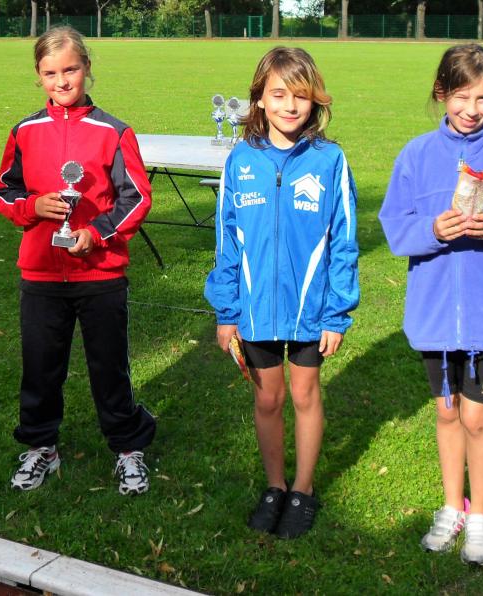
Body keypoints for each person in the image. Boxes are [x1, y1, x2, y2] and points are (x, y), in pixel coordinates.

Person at [378, 44, 483, 565]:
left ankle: (482, 514)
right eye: (461, 97)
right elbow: (395, 226)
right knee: (447, 411)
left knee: (476, 416)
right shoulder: (415, 155)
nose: (473, 109)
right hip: (433, 313)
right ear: (441, 94)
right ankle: (453, 506)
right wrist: (433, 229)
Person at [0, 26, 156, 496]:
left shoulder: (114, 132)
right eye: (50, 73)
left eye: (70, 69)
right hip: (42, 274)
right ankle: (41, 446)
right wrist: (32, 207)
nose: (61, 81)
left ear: (87, 68)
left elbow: (136, 198)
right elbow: (4, 191)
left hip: (100, 274)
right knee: (40, 366)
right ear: (38, 76)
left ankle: (128, 448)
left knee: (109, 367)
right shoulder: (24, 131)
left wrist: (96, 233)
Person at [204, 47, 359, 539]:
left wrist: (336, 314)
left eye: (301, 95)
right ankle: (275, 486)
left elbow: (345, 242)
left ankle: (303, 490)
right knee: (268, 400)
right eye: (278, 94)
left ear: (315, 101)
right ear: (259, 99)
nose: (290, 105)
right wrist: (227, 311)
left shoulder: (330, 160)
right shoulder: (241, 160)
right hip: (255, 310)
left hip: (311, 309)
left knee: (305, 395)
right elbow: (227, 241)